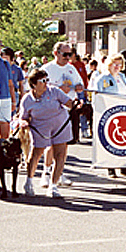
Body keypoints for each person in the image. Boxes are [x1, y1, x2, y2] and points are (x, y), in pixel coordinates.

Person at [19, 69, 76, 198]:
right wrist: (23, 122)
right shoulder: (27, 99)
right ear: (33, 84)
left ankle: (53, 186)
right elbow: (23, 116)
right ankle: (29, 182)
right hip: (40, 128)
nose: (46, 83)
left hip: (60, 126)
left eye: (47, 80)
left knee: (60, 155)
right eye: (42, 81)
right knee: (36, 153)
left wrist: (77, 104)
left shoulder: (54, 91)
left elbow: (69, 103)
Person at [40, 41, 83, 186]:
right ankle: (46, 173)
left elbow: (80, 84)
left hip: (69, 110)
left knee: (63, 145)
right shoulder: (47, 68)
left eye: (70, 54)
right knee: (51, 144)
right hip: (53, 110)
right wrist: (58, 89)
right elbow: (39, 88)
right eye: (65, 54)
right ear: (55, 53)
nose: (67, 57)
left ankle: (59, 172)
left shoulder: (72, 68)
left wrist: (78, 87)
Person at [94, 54, 126, 178]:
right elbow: (96, 96)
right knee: (111, 140)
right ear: (109, 65)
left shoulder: (123, 77)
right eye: (115, 64)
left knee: (125, 140)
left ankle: (124, 166)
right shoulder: (102, 78)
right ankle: (110, 167)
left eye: (120, 64)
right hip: (109, 113)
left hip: (124, 112)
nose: (117, 67)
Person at [69, 48, 90, 138]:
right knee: (73, 111)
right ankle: (73, 131)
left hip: (81, 90)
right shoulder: (68, 65)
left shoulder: (80, 64)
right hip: (72, 90)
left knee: (83, 110)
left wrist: (86, 90)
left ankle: (84, 130)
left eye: (70, 54)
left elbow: (85, 78)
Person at [1, 47, 24, 112]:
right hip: (1, 93)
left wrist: (21, 100)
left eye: (6, 58)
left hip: (13, 93)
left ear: (12, 59)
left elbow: (21, 85)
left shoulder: (17, 69)